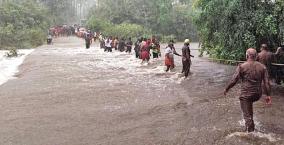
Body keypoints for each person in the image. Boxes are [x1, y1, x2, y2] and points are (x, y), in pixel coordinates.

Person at [224, 48, 271, 132]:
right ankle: (251, 125)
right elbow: (266, 83)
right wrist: (268, 95)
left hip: (246, 95)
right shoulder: (262, 67)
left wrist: (227, 89)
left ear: (246, 56)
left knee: (247, 116)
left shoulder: (241, 66)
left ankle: (251, 134)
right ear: (256, 56)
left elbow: (234, 80)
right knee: (249, 110)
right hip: (257, 94)